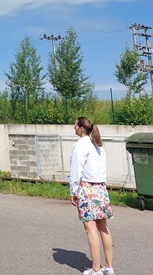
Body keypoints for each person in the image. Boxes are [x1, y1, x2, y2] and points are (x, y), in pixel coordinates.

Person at [70, 117, 114, 275]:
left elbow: (77, 170)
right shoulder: (98, 144)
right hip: (100, 188)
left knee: (90, 229)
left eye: (75, 125)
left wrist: (73, 191)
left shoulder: (80, 145)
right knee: (103, 227)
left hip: (87, 188)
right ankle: (108, 266)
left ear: (82, 128)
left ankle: (96, 269)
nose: (74, 128)